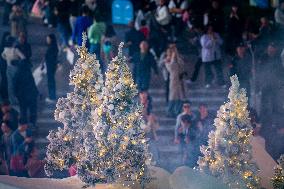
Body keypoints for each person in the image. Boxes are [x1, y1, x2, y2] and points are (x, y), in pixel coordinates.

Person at [257, 43, 284, 122]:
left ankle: (277, 119)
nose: (271, 50)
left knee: (276, 102)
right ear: (268, 49)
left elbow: (280, 71)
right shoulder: (263, 57)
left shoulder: (277, 58)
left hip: (275, 84)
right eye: (270, 48)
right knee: (264, 102)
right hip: (265, 83)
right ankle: (263, 118)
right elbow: (260, 71)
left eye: (273, 49)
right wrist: (259, 84)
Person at [1, 36, 26, 105]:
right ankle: (18, 99)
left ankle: (11, 100)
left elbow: (2, 56)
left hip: (8, 68)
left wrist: (7, 60)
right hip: (16, 68)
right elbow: (23, 58)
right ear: (13, 43)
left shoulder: (5, 50)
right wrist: (17, 61)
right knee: (17, 84)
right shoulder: (16, 50)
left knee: (10, 85)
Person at [15, 62, 38, 128]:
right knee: (32, 110)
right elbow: (32, 84)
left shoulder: (17, 73)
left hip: (22, 96)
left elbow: (15, 86)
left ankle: (24, 124)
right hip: (31, 95)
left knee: (23, 111)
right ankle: (32, 123)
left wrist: (16, 95)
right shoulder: (28, 73)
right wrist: (36, 93)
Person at [165, 44, 185, 117]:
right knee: (172, 97)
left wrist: (177, 56)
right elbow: (171, 68)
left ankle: (178, 111)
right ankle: (170, 111)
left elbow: (182, 66)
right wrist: (172, 58)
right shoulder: (167, 60)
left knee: (179, 96)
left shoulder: (177, 59)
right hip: (172, 80)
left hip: (179, 81)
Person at [45, 34, 59, 103]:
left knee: (50, 81)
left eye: (48, 39)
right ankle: (52, 96)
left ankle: (52, 97)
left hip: (50, 66)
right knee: (51, 81)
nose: (47, 40)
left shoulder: (52, 47)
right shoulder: (53, 46)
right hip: (51, 66)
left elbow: (50, 57)